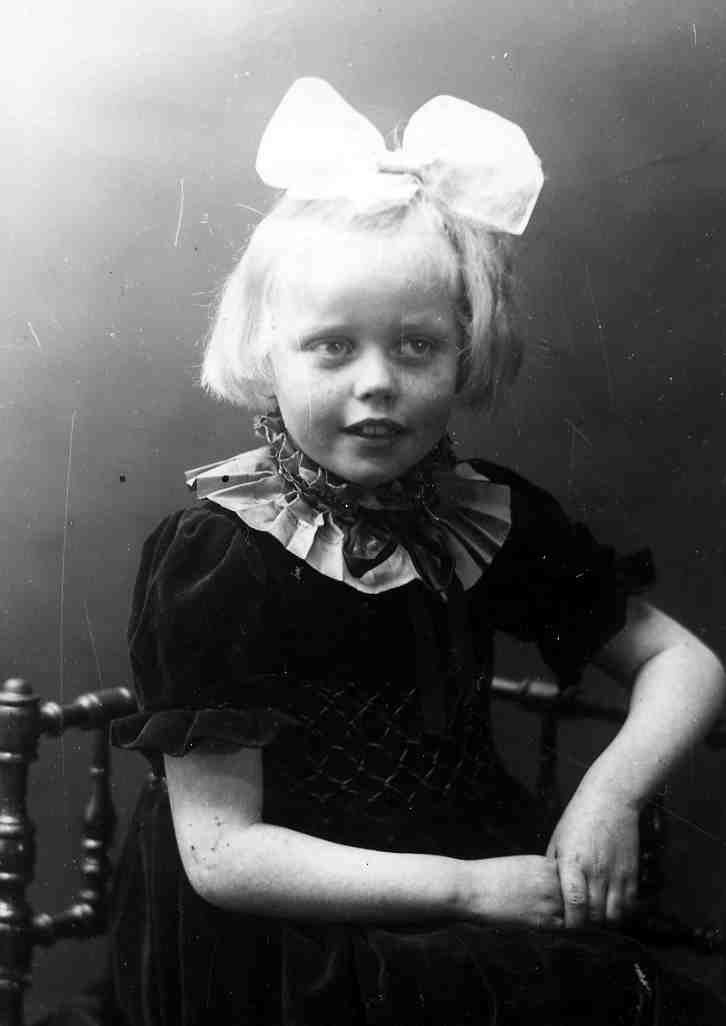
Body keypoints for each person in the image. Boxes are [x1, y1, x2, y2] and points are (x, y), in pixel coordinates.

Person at [106, 79, 725, 1024]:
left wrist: (609, 795)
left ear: (464, 351)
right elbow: (225, 857)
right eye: (332, 347)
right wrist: (468, 890)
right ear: (268, 352)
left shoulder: (483, 516)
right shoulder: (221, 554)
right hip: (286, 935)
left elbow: (684, 662)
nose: (377, 384)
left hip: (467, 884)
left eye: (415, 346)